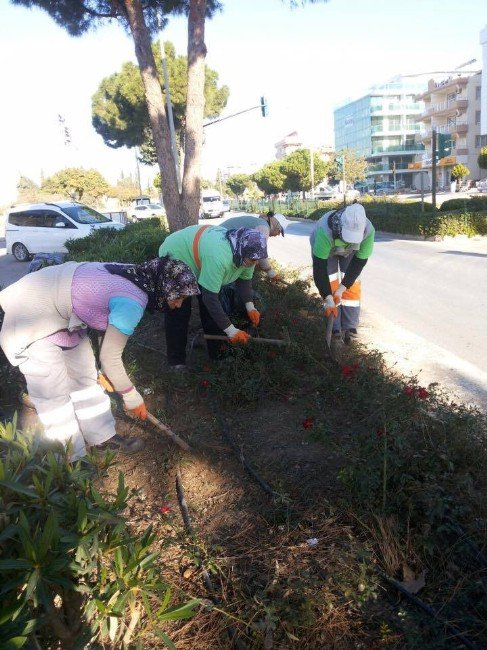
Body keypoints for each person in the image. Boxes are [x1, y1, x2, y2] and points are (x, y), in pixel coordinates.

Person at [0, 257, 199, 461]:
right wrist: (131, 396)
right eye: (178, 296)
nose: (178, 304)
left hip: (66, 315)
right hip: (32, 314)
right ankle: (72, 459)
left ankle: (102, 437)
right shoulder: (132, 301)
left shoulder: (139, 276)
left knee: (85, 378)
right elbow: (110, 357)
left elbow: (104, 320)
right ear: (164, 286)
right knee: (53, 395)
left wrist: (105, 372)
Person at [159, 225, 268, 368]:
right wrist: (231, 331)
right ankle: (176, 362)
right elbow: (210, 298)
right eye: (252, 260)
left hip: (202, 256)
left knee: (211, 312)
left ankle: (218, 356)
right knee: (179, 311)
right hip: (177, 254)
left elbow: (245, 279)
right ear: (241, 250)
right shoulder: (219, 257)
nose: (255, 263)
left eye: (257, 260)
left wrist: (250, 306)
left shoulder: (249, 253)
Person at [309, 203, 375, 343]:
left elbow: (359, 263)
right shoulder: (324, 231)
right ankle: (334, 326)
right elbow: (319, 269)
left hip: (351, 251)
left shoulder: (369, 231)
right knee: (330, 282)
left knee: (352, 284)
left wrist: (343, 287)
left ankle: (350, 326)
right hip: (327, 250)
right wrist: (327, 296)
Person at [220, 211, 292, 279]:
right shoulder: (264, 227)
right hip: (221, 241)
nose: (278, 234)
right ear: (276, 226)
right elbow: (259, 253)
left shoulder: (260, 222)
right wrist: (270, 272)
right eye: (279, 231)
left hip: (219, 237)